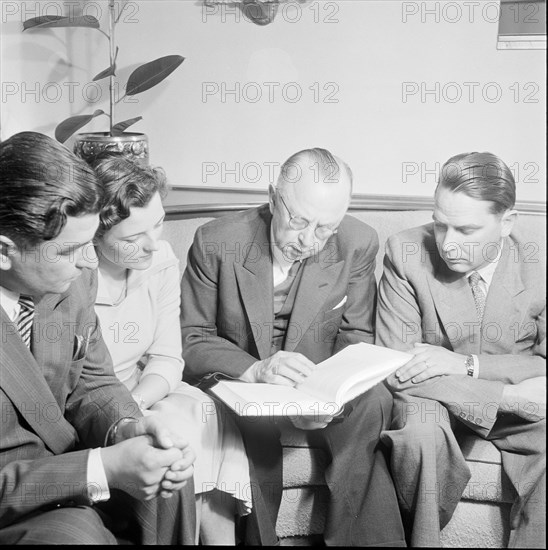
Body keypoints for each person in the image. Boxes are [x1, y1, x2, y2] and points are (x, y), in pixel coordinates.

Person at [180, 147, 407, 546]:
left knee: (373, 403)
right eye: (298, 221)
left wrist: (322, 395)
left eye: (324, 228)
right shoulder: (217, 241)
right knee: (248, 432)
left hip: (314, 383)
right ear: (272, 198)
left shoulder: (357, 241)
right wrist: (255, 369)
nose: (308, 241)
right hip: (246, 382)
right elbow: (191, 336)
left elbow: (356, 336)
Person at [0, 131, 196, 544]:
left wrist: (130, 428)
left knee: (170, 478)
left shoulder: (71, 282)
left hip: (72, 463)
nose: (89, 261)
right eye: (70, 250)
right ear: (4, 251)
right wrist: (100, 468)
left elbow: (93, 382)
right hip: (16, 498)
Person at [376, 151, 546, 548]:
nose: (448, 244)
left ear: (507, 223)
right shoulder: (405, 252)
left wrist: (466, 365)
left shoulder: (540, 267)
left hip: (497, 401)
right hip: (433, 398)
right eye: (440, 225)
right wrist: (508, 393)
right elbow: (398, 367)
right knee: (418, 434)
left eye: (466, 230)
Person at [90, 154, 252, 545]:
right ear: (94, 234)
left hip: (148, 386)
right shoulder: (73, 276)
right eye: (132, 238)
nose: (153, 244)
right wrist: (127, 413)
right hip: (95, 402)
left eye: (159, 223)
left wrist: (141, 401)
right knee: (172, 440)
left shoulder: (160, 259)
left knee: (207, 412)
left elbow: (167, 358)